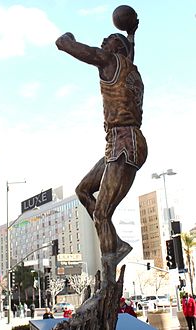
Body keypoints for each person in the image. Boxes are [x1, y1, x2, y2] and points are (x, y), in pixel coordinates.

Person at [56, 19, 147, 271]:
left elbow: (64, 44)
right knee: (83, 190)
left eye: (109, 40)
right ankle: (113, 241)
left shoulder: (108, 60)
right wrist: (131, 35)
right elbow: (129, 51)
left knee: (102, 213)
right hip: (120, 142)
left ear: (116, 49)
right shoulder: (131, 68)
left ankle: (108, 276)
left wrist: (68, 35)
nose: (103, 43)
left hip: (124, 143)